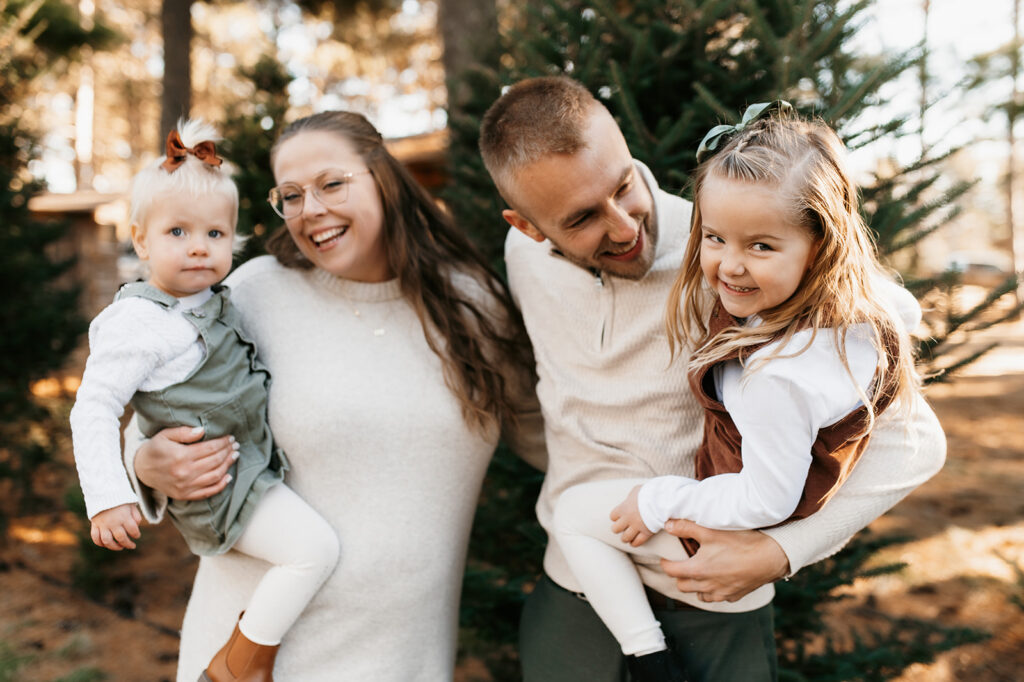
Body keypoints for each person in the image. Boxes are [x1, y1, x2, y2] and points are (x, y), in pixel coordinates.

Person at [478, 76, 945, 681]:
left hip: (712, 610)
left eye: (624, 185)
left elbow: (916, 440)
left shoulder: (733, 252)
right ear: (528, 228)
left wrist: (783, 551)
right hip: (573, 595)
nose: (623, 227)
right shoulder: (525, 262)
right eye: (583, 219)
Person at [121, 111, 546, 681]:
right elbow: (146, 419)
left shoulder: (471, 307)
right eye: (291, 195)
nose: (311, 210)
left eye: (331, 184)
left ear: (382, 177)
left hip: (404, 661)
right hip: (247, 660)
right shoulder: (253, 294)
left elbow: (553, 440)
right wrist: (147, 463)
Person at [70, 119, 340, 682]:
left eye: (215, 235)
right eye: (177, 233)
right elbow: (93, 407)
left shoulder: (218, 299)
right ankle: (240, 664)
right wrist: (109, 496)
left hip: (251, 470)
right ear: (140, 240)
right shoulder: (138, 323)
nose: (199, 247)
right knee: (313, 549)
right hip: (217, 490)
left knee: (310, 547)